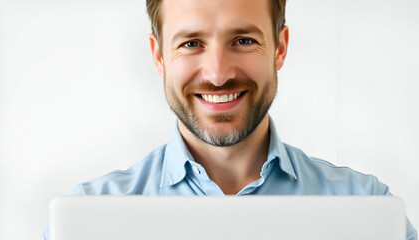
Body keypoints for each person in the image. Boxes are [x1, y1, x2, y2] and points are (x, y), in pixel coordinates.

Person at [44, 0, 417, 239]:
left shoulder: (366, 207)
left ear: (280, 48)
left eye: (243, 40)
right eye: (191, 43)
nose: (218, 74)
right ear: (158, 56)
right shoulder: (87, 219)